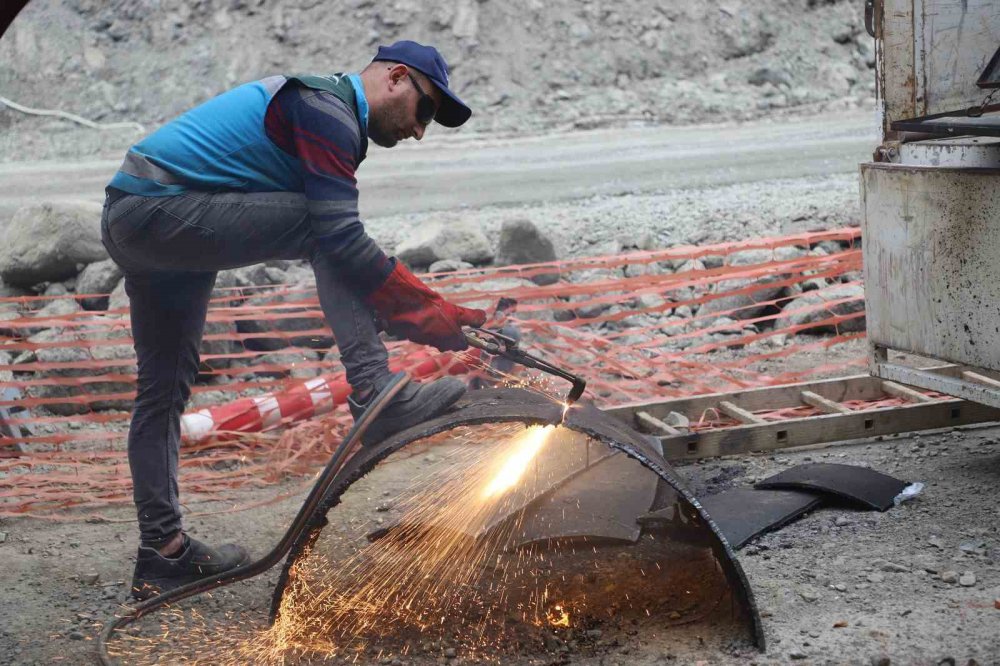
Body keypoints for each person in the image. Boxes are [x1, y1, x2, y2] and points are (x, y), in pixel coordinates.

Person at [100, 40, 487, 600]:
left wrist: (403, 308)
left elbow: (345, 258)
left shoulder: (327, 114)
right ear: (397, 77)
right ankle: (375, 393)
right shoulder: (326, 111)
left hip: (141, 219)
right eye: (425, 109)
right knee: (320, 226)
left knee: (162, 391)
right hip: (157, 210)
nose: (421, 130)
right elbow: (339, 237)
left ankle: (163, 553)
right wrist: (421, 307)